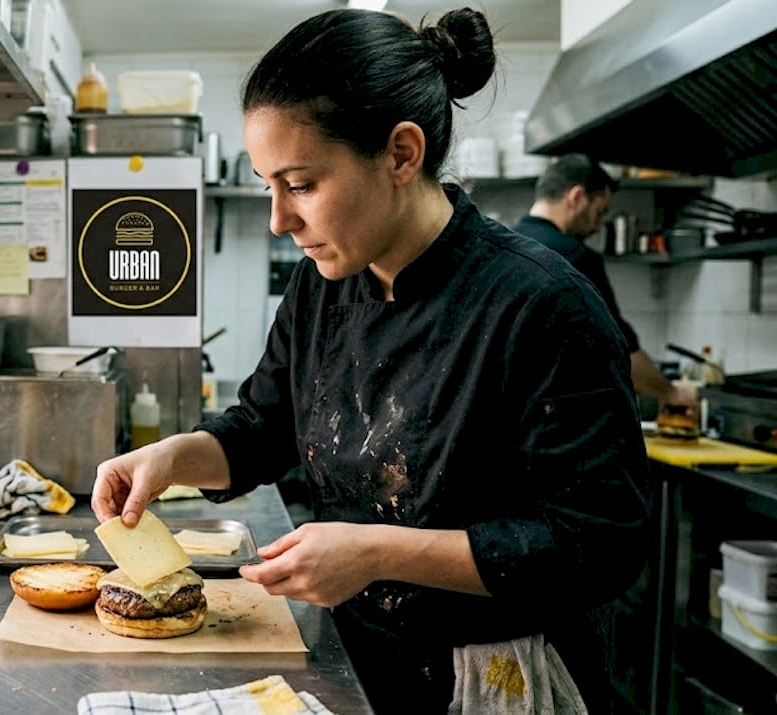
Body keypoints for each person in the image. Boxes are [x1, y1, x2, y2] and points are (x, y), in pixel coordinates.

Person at [91, 7, 649, 714]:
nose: (279, 220)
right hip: (357, 657)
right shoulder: (322, 288)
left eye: (300, 184)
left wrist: (377, 553)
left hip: (498, 676)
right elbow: (263, 427)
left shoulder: (539, 306)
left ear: (402, 154)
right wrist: (171, 458)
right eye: (268, 185)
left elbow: (599, 542)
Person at [513, 154, 696, 409]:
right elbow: (619, 352)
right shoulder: (575, 257)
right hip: (558, 418)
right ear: (576, 198)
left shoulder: (502, 247)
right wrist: (670, 393)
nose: (598, 227)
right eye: (599, 213)